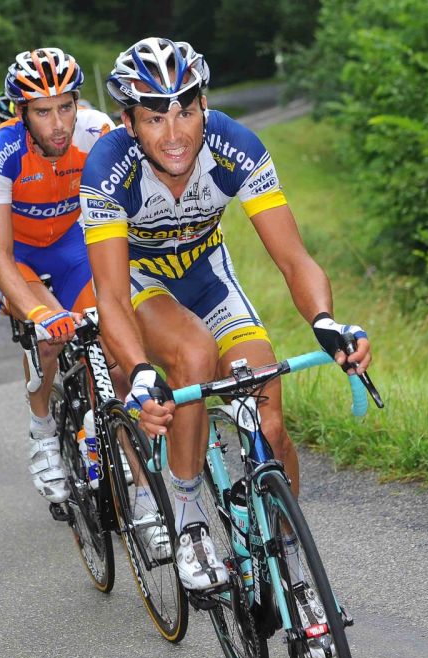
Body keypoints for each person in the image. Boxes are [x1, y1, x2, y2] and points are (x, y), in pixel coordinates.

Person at [80, 38, 372, 594]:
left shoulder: (234, 145)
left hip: (210, 279)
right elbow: (110, 297)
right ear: (129, 122)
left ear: (204, 107)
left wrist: (326, 322)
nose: (175, 133)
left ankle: (289, 553)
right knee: (193, 354)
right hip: (144, 286)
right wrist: (139, 372)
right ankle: (189, 518)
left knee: (268, 416)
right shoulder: (108, 168)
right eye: (155, 118)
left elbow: (294, 258)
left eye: (186, 112)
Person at [0, 47, 116, 505]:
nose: (58, 123)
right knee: (50, 338)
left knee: (110, 338)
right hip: (19, 254)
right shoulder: (2, 150)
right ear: (22, 113)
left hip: (73, 246)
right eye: (43, 111)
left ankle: (109, 429)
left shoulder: (96, 131)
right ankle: (41, 432)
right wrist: (38, 313)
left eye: (65, 106)